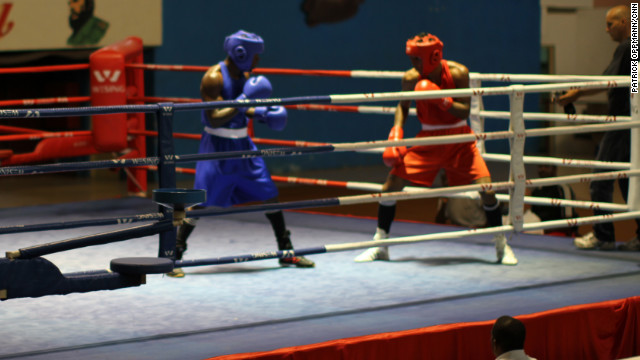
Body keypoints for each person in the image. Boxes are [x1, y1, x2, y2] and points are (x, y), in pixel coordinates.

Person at [353, 33, 517, 265]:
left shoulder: (459, 72)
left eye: (417, 59)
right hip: (428, 138)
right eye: (412, 59)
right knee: (391, 186)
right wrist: (396, 131)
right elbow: (402, 105)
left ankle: (501, 245)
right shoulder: (410, 78)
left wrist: (442, 99)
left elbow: (464, 111)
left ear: (433, 56)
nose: (413, 64)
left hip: (459, 137)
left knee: (487, 189)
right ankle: (380, 245)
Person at [169, 30, 315, 277]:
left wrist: (260, 114)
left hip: (244, 146)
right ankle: (173, 256)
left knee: (269, 194)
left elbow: (239, 109)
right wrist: (245, 100)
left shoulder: (245, 75)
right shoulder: (213, 78)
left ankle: (286, 251)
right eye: (255, 56)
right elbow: (213, 118)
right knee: (200, 202)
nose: (257, 61)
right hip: (216, 147)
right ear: (240, 53)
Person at [558, 5, 640, 251]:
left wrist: (577, 93)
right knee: (630, 183)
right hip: (632, 122)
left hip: (622, 123)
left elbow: (608, 82)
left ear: (625, 22)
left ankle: (602, 235)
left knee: (600, 180)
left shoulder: (628, 47)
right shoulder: (634, 48)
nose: (606, 30)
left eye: (610, 24)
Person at [529, 164, 578, 237]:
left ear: (554, 170)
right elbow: (533, 217)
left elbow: (569, 223)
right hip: (539, 233)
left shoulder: (563, 189)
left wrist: (543, 230)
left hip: (559, 233)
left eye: (546, 166)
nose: (542, 169)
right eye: (540, 166)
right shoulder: (536, 191)